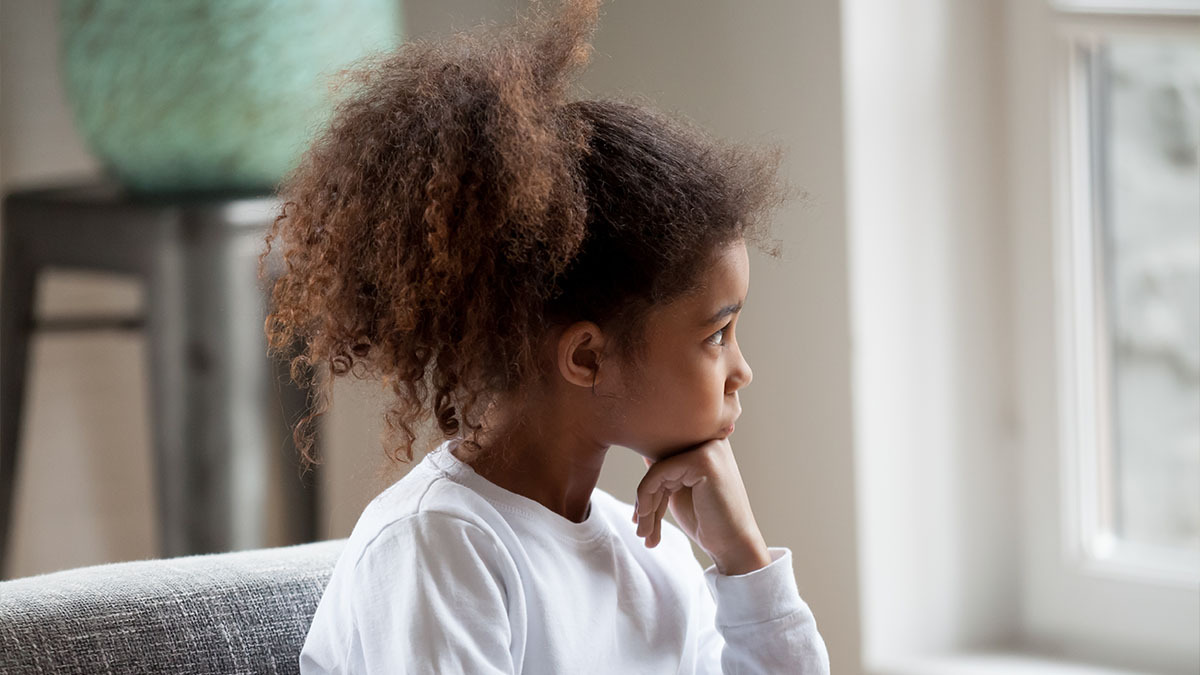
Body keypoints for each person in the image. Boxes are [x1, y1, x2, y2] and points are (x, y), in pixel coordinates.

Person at [261, 0, 830, 672]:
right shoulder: (438, 545)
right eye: (717, 334)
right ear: (588, 356)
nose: (742, 370)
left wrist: (743, 563)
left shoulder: (657, 557)